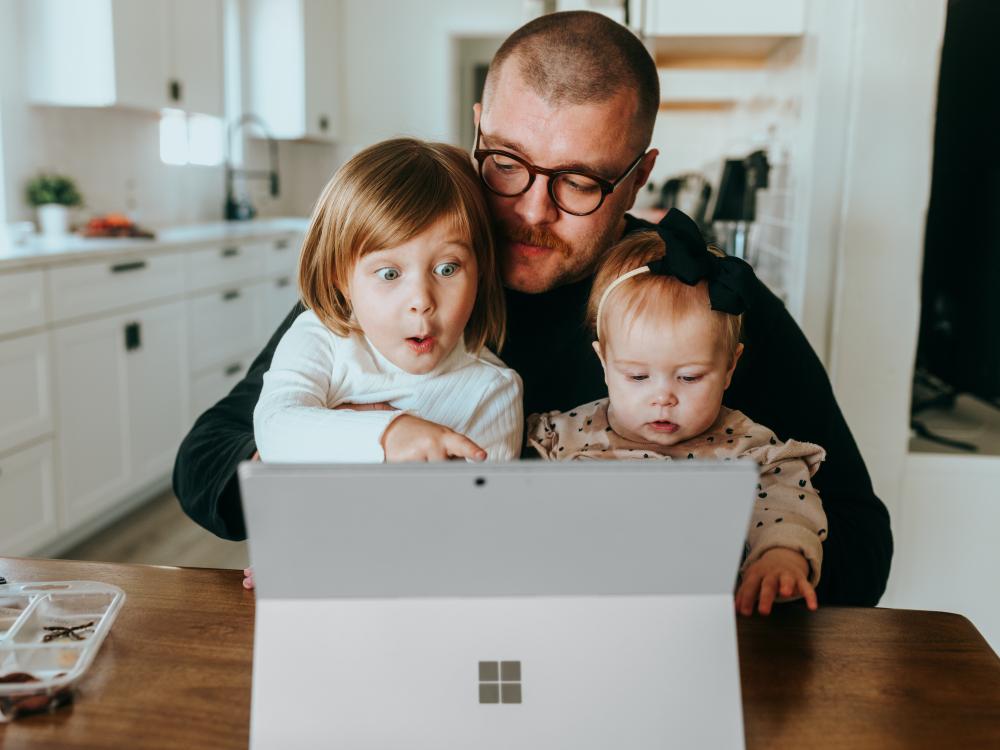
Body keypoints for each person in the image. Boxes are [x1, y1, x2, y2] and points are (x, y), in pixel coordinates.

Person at [174, 10, 892, 607]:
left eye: (579, 181)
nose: (529, 211)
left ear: (640, 175)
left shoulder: (696, 296)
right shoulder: (401, 281)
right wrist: (332, 464)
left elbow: (861, 534)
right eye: (507, 163)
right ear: (478, 127)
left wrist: (725, 558)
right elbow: (205, 463)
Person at [527, 212, 828, 616]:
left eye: (688, 377)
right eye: (637, 376)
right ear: (604, 362)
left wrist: (782, 558)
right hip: (581, 621)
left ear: (729, 368)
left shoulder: (750, 452)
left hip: (699, 625)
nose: (663, 397)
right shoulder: (559, 436)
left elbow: (785, 508)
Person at [253, 138, 522, 466]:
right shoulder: (320, 339)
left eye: (447, 269)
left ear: (479, 272)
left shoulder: (492, 392)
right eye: (390, 274)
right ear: (341, 279)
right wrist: (390, 434)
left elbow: (482, 511)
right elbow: (274, 428)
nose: (421, 301)